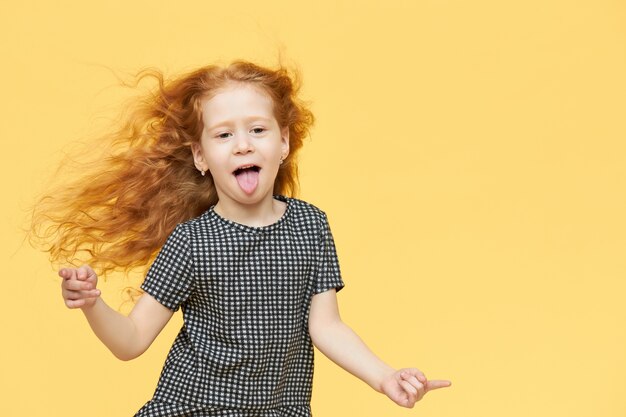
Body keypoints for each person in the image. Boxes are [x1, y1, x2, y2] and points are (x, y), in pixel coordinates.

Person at [33, 60, 451, 416]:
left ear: (284, 142)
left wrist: (384, 377)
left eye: (257, 129)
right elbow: (131, 342)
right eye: (223, 135)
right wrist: (91, 304)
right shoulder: (191, 243)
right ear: (201, 157)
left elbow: (327, 327)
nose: (242, 146)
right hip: (194, 407)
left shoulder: (311, 226)